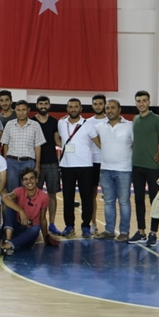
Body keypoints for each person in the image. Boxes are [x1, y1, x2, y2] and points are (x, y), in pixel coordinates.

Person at [129, 91, 159, 248]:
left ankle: (153, 233)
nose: (141, 103)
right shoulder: (135, 119)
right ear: (136, 103)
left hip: (153, 168)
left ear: (149, 102)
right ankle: (141, 232)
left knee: (155, 201)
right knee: (138, 200)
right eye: (138, 101)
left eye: (144, 101)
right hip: (136, 167)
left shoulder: (157, 120)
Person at [57, 98, 101, 238]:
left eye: (76, 106)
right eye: (71, 107)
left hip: (85, 166)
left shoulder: (88, 125)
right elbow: (58, 138)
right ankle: (69, 226)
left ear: (81, 109)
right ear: (67, 109)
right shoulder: (61, 123)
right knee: (67, 198)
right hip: (67, 166)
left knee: (86, 198)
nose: (73, 109)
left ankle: (86, 226)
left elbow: (99, 143)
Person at [94, 99, 134, 242]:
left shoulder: (130, 126)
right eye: (107, 108)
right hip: (105, 170)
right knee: (108, 202)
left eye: (112, 107)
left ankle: (124, 232)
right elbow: (87, 131)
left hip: (124, 170)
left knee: (124, 202)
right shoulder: (99, 126)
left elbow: (136, 145)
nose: (109, 110)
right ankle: (109, 230)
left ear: (119, 109)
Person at [0, 168, 52, 257]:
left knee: (35, 229)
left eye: (31, 178)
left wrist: (46, 237)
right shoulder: (19, 191)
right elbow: (5, 197)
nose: (29, 181)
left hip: (28, 235)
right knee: (9, 207)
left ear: (36, 180)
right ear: (23, 182)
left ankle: (6, 246)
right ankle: (8, 240)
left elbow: (43, 219)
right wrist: (21, 211)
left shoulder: (44, 197)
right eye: (26, 179)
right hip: (14, 230)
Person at [31, 96, 62, 236]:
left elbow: (57, 141)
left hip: (51, 163)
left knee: (52, 194)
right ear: (37, 105)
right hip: (35, 163)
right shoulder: (31, 121)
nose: (43, 106)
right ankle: (36, 223)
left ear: (49, 105)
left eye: (45, 103)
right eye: (41, 103)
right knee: (34, 195)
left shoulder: (54, 121)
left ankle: (52, 223)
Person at [0, 100, 46, 193]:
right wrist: (5, 162)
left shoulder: (35, 125)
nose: (21, 113)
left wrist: (37, 166)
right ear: (15, 111)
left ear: (28, 110)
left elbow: (38, 147)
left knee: (27, 190)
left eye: (23, 110)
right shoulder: (9, 124)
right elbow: (5, 145)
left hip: (28, 162)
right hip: (11, 162)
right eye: (18, 110)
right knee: (12, 191)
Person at [87, 94, 107, 235]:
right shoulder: (87, 122)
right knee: (91, 194)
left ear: (104, 105)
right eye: (95, 104)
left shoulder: (111, 121)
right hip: (91, 163)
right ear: (92, 105)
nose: (98, 106)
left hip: (107, 163)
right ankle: (93, 223)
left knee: (109, 195)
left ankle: (110, 226)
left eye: (100, 104)